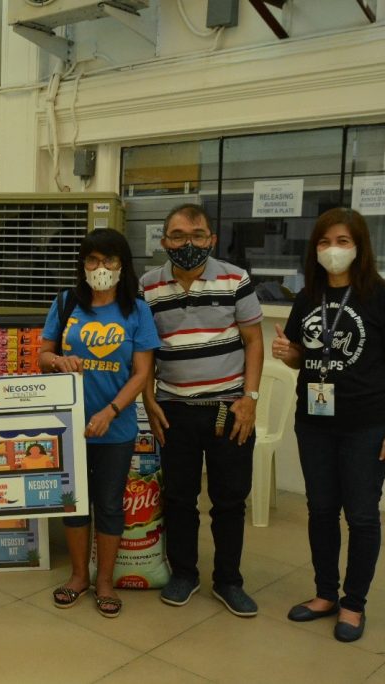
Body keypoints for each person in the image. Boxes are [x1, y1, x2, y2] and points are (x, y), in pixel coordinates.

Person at [273, 208, 385, 643]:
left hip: (367, 425)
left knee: (362, 516)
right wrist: (286, 352)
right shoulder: (307, 297)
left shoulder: (381, 297)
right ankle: (324, 594)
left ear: (358, 247)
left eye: (341, 241)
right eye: (323, 242)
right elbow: (304, 356)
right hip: (314, 422)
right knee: (319, 512)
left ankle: (354, 603)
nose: (332, 250)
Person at [140, 203, 264, 618]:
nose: (187, 244)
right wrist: (148, 398)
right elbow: (145, 350)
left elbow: (254, 342)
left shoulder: (235, 278)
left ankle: (229, 580)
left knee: (229, 500)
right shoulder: (148, 286)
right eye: (178, 236)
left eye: (197, 235)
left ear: (211, 239)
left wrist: (250, 398)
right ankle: (185, 573)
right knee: (178, 498)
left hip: (228, 408)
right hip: (173, 408)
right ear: (164, 241)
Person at [39, 228, 159, 618]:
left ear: (123, 265)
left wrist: (110, 411)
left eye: (109, 260)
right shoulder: (65, 303)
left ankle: (104, 581)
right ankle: (78, 577)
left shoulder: (137, 311)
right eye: (92, 260)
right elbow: (43, 354)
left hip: (116, 427)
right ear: (83, 264)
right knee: (75, 504)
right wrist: (59, 361)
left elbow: (142, 373)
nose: (100, 267)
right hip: (69, 425)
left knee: (108, 504)